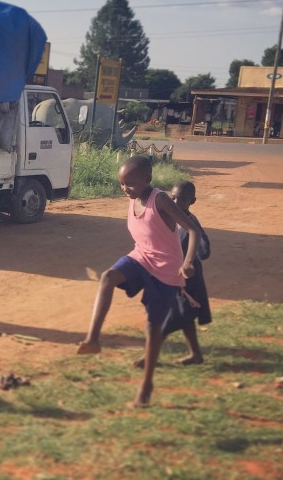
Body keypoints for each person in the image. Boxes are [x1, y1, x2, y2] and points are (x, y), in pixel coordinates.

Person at [76, 156, 200, 407]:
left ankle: (146, 387)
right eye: (122, 183)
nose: (125, 189)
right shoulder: (132, 200)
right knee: (108, 277)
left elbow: (193, 230)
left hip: (166, 269)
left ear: (148, 180)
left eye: (130, 184)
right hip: (141, 258)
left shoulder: (161, 200)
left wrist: (188, 262)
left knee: (153, 328)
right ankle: (92, 340)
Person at [135, 180, 212, 367]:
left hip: (188, 279)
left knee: (168, 318)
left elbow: (205, 250)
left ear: (192, 201)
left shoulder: (191, 223)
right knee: (184, 318)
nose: (178, 203)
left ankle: (149, 358)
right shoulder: (167, 219)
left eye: (184, 199)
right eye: (175, 198)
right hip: (170, 275)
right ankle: (196, 354)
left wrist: (189, 259)